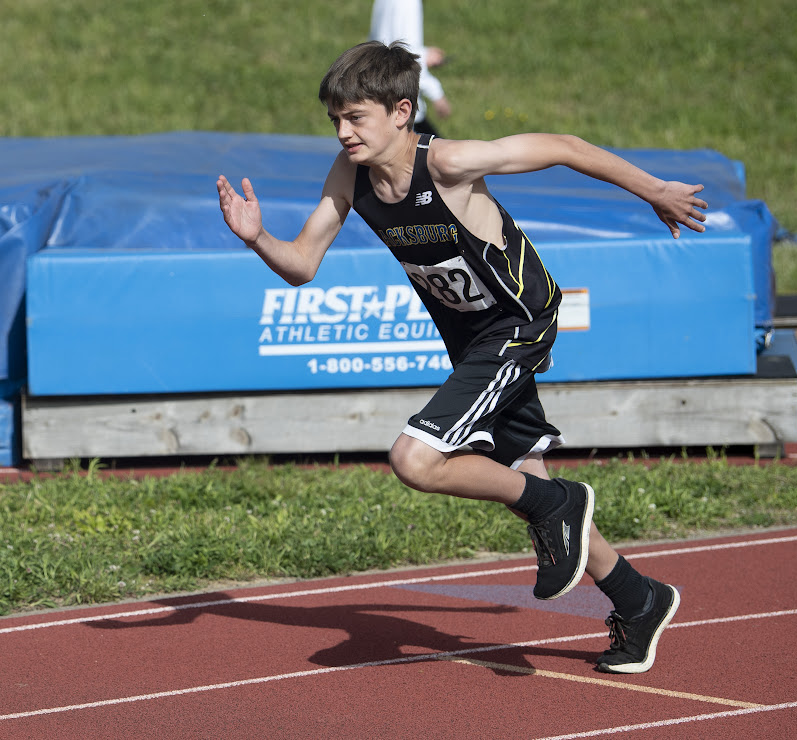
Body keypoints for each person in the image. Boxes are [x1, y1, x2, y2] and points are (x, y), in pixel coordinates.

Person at [217, 41, 708, 673]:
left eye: (355, 117)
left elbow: (564, 145)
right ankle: (639, 600)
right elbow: (302, 266)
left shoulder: (449, 162)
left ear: (402, 111)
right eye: (335, 119)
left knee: (416, 458)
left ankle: (555, 507)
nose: (342, 133)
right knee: (525, 479)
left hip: (518, 323)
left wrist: (655, 190)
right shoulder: (351, 177)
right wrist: (258, 238)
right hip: (471, 342)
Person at [369, 0, 450, 135]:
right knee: (436, 153)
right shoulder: (408, 3)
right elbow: (408, 56)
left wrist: (425, 53)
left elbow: (384, 43)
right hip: (404, 105)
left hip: (383, 93)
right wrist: (437, 94)